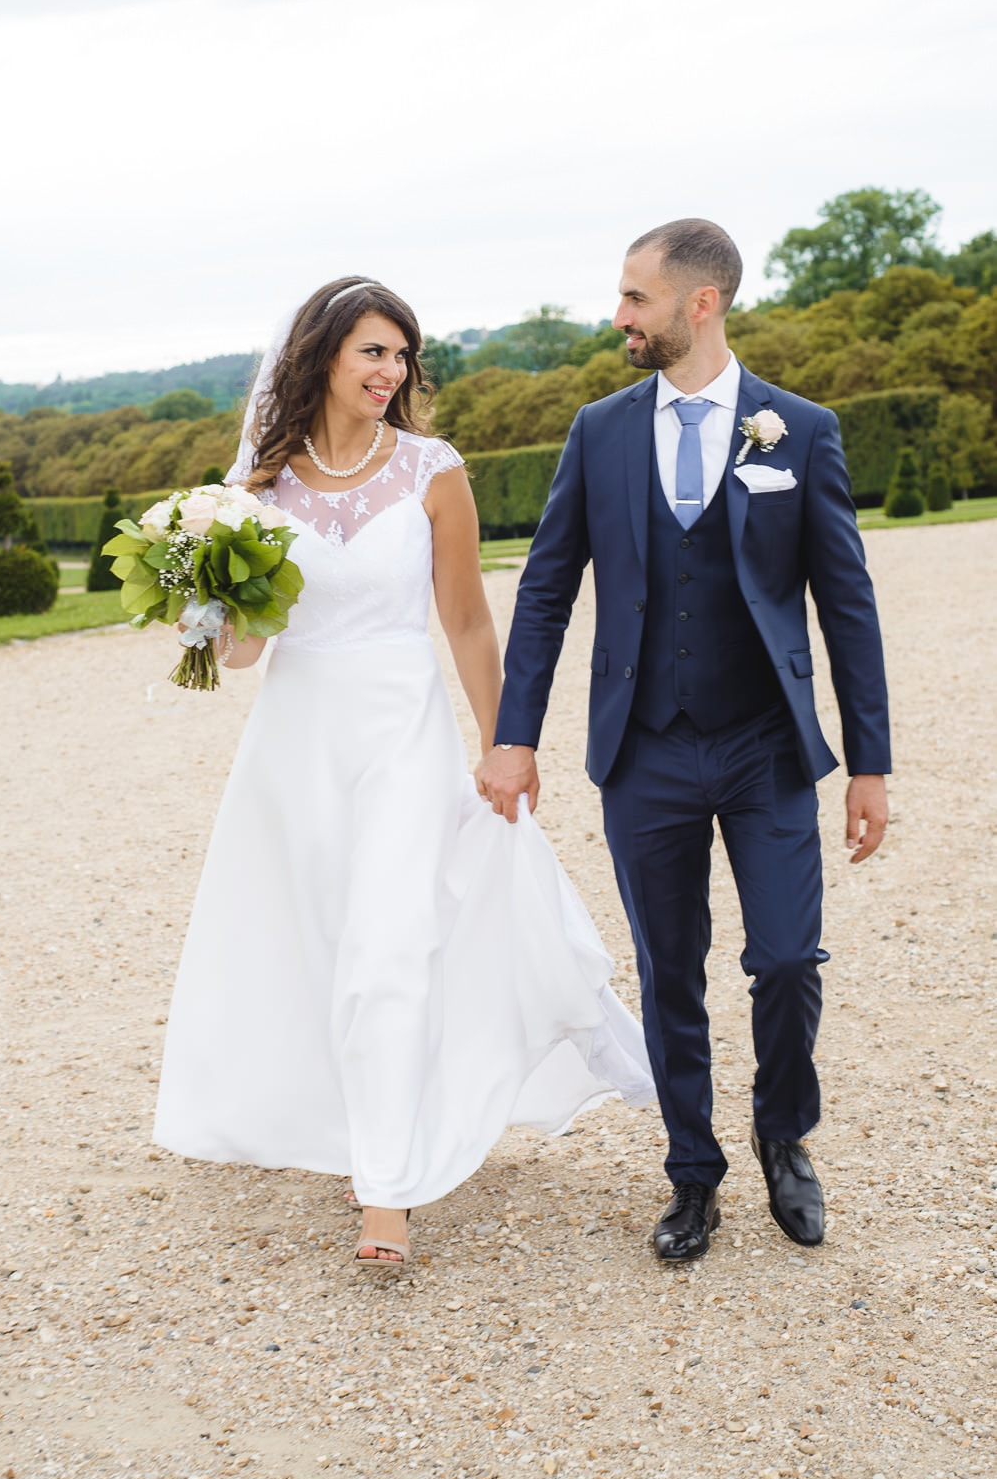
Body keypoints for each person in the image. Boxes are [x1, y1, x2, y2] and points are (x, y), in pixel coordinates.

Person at [153, 277, 655, 1269]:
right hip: (296, 745)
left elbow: (466, 618)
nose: (390, 372)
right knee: (322, 945)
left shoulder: (434, 470)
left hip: (401, 733)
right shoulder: (258, 487)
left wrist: (504, 739)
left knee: (388, 948)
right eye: (371, 353)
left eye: (400, 355)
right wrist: (202, 602)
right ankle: (360, 1126)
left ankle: (386, 1189)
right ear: (321, 358)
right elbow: (246, 656)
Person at [477, 221, 890, 1262]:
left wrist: (870, 761)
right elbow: (545, 593)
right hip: (646, 746)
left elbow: (848, 605)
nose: (619, 316)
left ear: (699, 304)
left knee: (788, 959)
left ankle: (783, 1134)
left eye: (635, 298)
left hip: (764, 747)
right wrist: (513, 735)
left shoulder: (800, 430)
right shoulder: (598, 431)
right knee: (670, 970)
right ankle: (692, 1172)